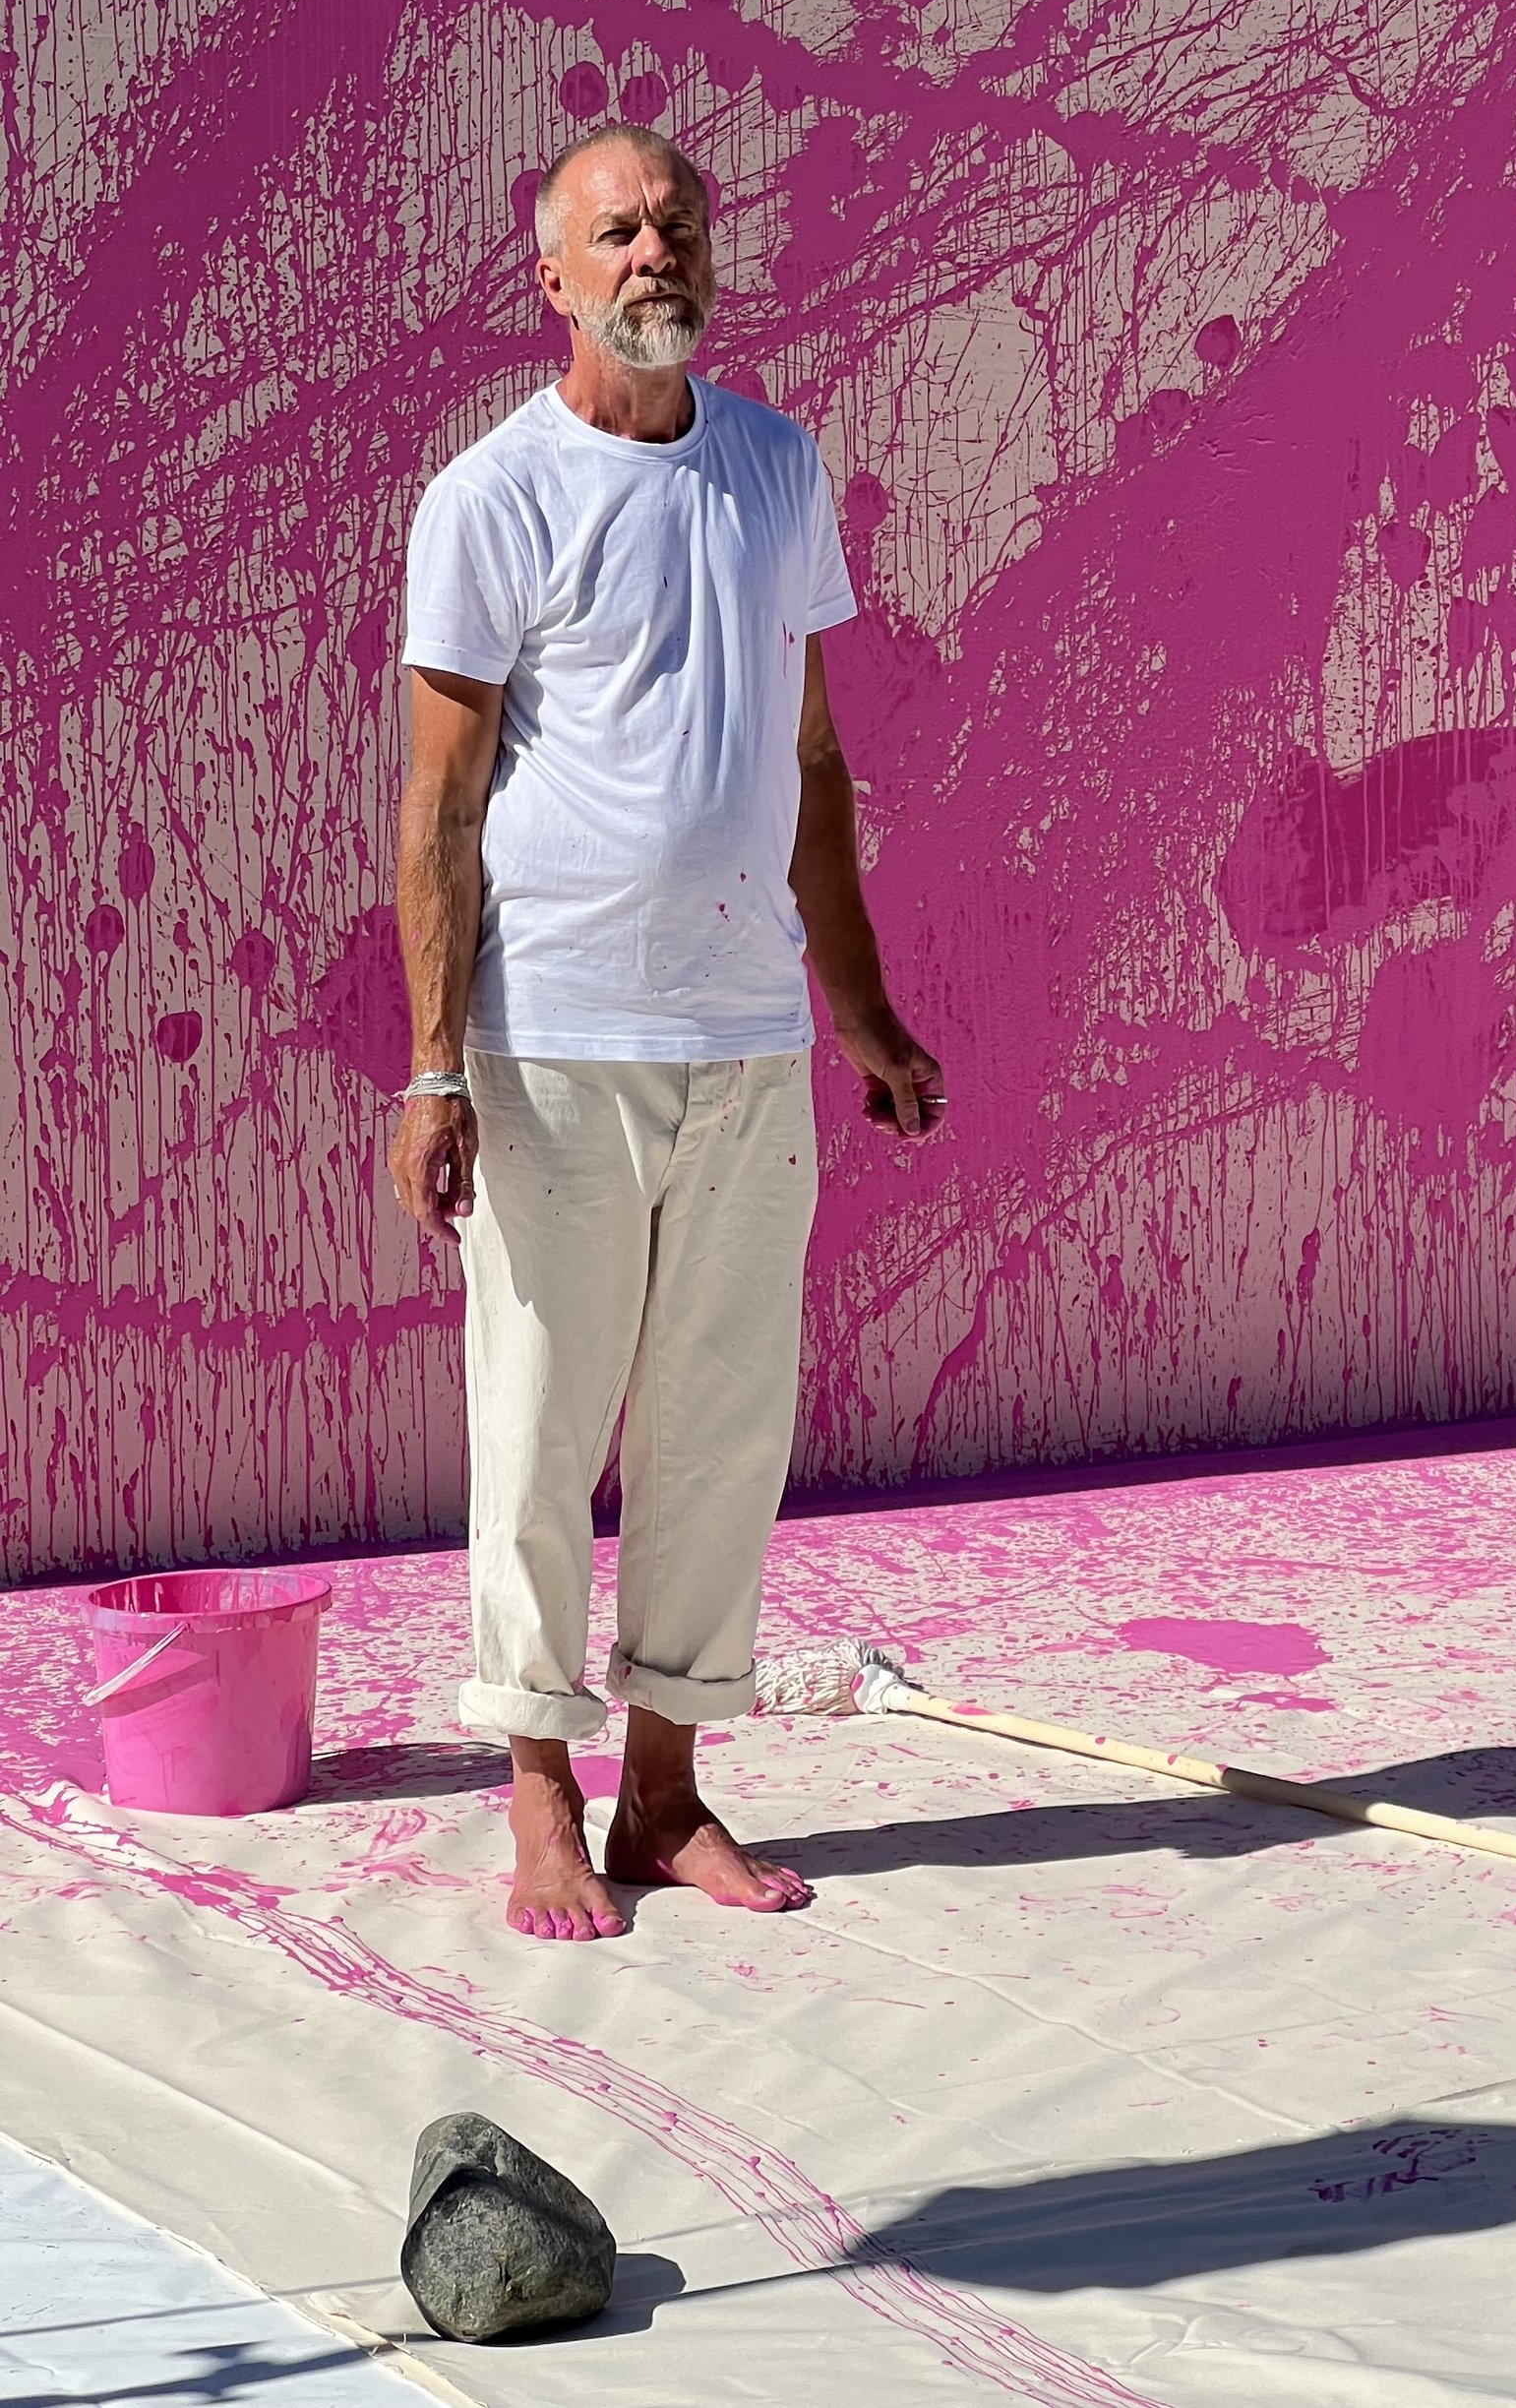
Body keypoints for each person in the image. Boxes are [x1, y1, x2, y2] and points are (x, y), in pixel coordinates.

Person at [385, 123, 942, 1943]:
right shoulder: (491, 500)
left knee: (720, 1425)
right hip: (552, 1043)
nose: (654, 252)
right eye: (616, 230)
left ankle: (667, 1793)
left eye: (678, 223)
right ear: (553, 274)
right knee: (541, 1426)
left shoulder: (778, 473)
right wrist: (434, 1061)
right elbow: (440, 802)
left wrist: (856, 1006)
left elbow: (810, 762)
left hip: (744, 1036)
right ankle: (540, 1797)